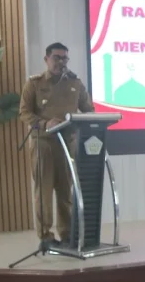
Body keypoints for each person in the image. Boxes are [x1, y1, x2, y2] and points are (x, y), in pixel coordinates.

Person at [18, 42, 94, 245]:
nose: (61, 62)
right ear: (46, 59)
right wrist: (44, 123)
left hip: (67, 144)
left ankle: (67, 233)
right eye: (57, 58)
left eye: (64, 58)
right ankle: (46, 236)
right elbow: (24, 112)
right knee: (43, 191)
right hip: (43, 143)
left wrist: (88, 121)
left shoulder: (75, 83)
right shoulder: (34, 84)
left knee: (65, 191)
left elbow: (89, 109)